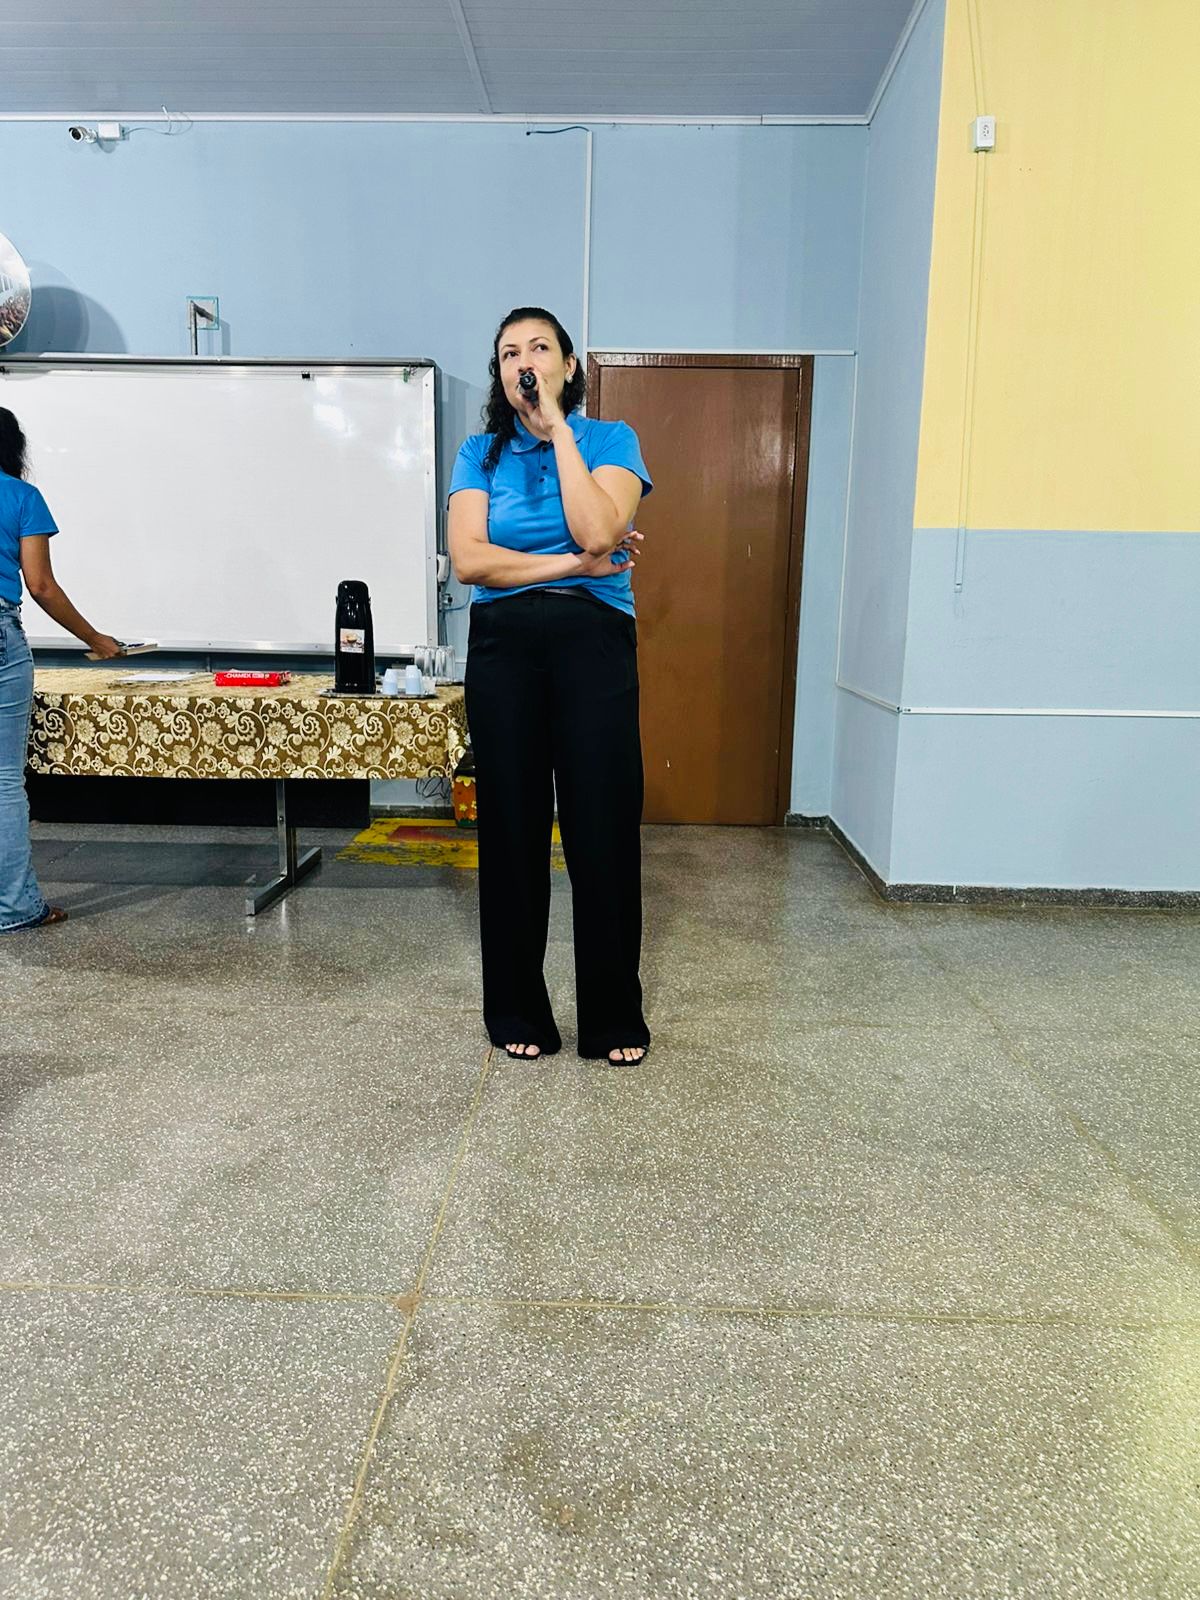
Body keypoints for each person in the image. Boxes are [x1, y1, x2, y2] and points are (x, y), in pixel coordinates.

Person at [448, 307, 652, 1066]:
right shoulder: (479, 453)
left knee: (603, 824)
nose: (523, 362)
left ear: (568, 366)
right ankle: (516, 1009)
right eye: (509, 353)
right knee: (511, 828)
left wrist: (559, 429)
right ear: (500, 373)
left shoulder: (610, 440)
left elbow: (600, 530)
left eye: (539, 348)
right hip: (503, 647)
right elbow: (471, 562)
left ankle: (612, 1017)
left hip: (593, 641)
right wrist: (571, 565)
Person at [0, 407, 121, 931]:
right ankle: (13, 908)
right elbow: (41, 586)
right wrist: (95, 639)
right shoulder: (21, 497)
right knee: (3, 781)